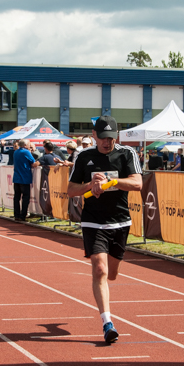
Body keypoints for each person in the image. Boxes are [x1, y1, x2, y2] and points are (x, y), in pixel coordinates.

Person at [68, 116, 142, 344]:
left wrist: (112, 181)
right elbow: (71, 190)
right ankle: (107, 323)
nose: (106, 142)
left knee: (111, 274)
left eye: (110, 138)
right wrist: (90, 186)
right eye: (102, 138)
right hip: (93, 221)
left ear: (116, 136)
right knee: (99, 270)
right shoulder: (84, 156)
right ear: (94, 135)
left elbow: (138, 183)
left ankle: (105, 297)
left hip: (119, 221)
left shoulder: (127, 154)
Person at [11, 139, 34, 221]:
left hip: (16, 177)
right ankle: (23, 215)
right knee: (25, 197)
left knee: (16, 197)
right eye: (28, 144)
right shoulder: (26, 152)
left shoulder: (16, 152)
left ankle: (16, 215)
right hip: (24, 177)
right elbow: (33, 161)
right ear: (25, 145)